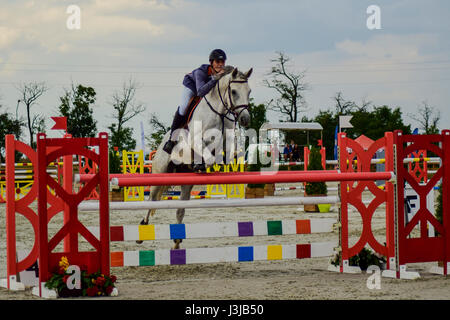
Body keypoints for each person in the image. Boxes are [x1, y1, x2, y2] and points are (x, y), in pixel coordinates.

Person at [163, 49, 228, 154]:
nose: (220, 65)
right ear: (211, 63)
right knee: (184, 107)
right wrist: (215, 79)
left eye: (222, 62)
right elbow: (200, 92)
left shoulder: (223, 72)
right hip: (192, 86)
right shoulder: (200, 72)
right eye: (217, 62)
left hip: (206, 88)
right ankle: (171, 139)